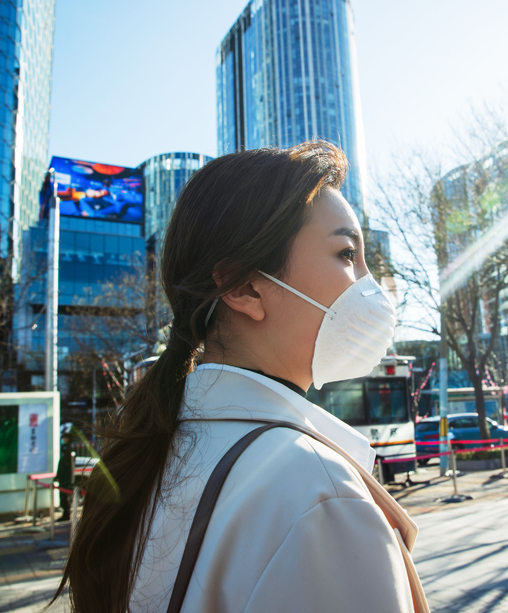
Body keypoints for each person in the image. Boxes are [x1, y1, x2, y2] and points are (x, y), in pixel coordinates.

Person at [55, 143, 428, 613]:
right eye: (346, 253)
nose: (371, 284)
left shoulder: (155, 452)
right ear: (244, 287)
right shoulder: (319, 496)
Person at [55, 429, 74, 521]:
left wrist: (70, 479)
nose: (63, 439)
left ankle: (66, 514)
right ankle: (65, 514)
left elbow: (68, 466)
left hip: (66, 478)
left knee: (65, 497)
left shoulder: (69, 450)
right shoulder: (64, 449)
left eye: (65, 438)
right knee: (63, 497)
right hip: (63, 478)